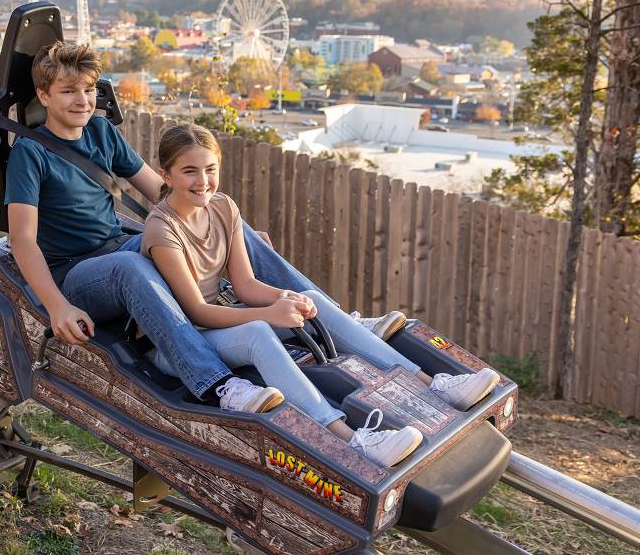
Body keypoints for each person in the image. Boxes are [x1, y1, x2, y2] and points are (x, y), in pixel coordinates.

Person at [141, 123, 500, 467]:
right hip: (182, 346)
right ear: (167, 174)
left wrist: (287, 298)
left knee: (309, 295)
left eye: (210, 169)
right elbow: (197, 312)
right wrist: (269, 314)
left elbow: (246, 285)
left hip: (221, 323)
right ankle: (352, 439)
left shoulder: (223, 207)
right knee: (257, 333)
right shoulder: (161, 229)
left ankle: (432, 385)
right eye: (189, 171)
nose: (202, 181)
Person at [5, 41, 284, 414]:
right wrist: (57, 308)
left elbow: (164, 193)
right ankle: (219, 385)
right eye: (68, 91)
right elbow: (22, 240)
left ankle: (326, 314)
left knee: (222, 213)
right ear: (44, 95)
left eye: (88, 90)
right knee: (130, 266)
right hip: (74, 275)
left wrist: (226, 229)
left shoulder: (101, 132)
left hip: (119, 245)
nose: (82, 100)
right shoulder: (30, 152)